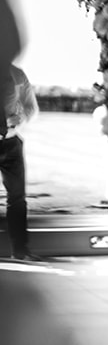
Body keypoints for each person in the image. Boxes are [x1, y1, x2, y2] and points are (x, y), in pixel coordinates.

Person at [1, 62, 38, 260]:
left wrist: (19, 119)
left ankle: (21, 252)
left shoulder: (17, 74)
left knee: (17, 199)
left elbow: (30, 107)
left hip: (11, 143)